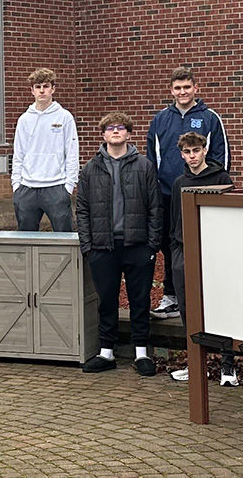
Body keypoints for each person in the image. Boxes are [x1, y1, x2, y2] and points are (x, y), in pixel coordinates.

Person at [77, 113, 162, 377]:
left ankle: (141, 353)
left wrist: (152, 244)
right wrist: (88, 246)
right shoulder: (90, 169)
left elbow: (155, 207)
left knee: (139, 299)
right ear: (103, 135)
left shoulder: (144, 166)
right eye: (110, 128)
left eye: (120, 127)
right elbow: (82, 210)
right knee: (106, 301)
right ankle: (106, 352)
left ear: (128, 133)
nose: (115, 131)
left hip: (137, 246)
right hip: (103, 247)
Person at [147, 67, 230, 320]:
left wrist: (214, 187)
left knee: (206, 244)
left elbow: (221, 156)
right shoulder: (160, 119)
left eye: (187, 87)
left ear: (196, 88)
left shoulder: (210, 117)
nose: (182, 92)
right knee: (171, 244)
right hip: (168, 193)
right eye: (178, 88)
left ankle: (210, 294)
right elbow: (152, 158)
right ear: (171, 90)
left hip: (203, 194)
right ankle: (172, 296)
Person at [167, 132, 238, 385]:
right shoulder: (178, 182)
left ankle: (228, 367)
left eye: (196, 150)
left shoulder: (221, 178)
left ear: (205, 150)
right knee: (188, 309)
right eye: (187, 152)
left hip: (215, 251)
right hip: (184, 251)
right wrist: (177, 249)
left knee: (220, 306)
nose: (192, 156)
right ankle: (196, 364)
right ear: (182, 154)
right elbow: (175, 220)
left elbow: (230, 217)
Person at [11, 68, 78, 232]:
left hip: (56, 187)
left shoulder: (64, 117)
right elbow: (18, 154)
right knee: (26, 241)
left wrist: (68, 186)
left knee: (64, 239)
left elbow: (72, 153)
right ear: (32, 90)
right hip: (27, 189)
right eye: (38, 86)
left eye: (46, 86)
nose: (42, 90)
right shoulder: (24, 120)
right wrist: (16, 186)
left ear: (53, 89)